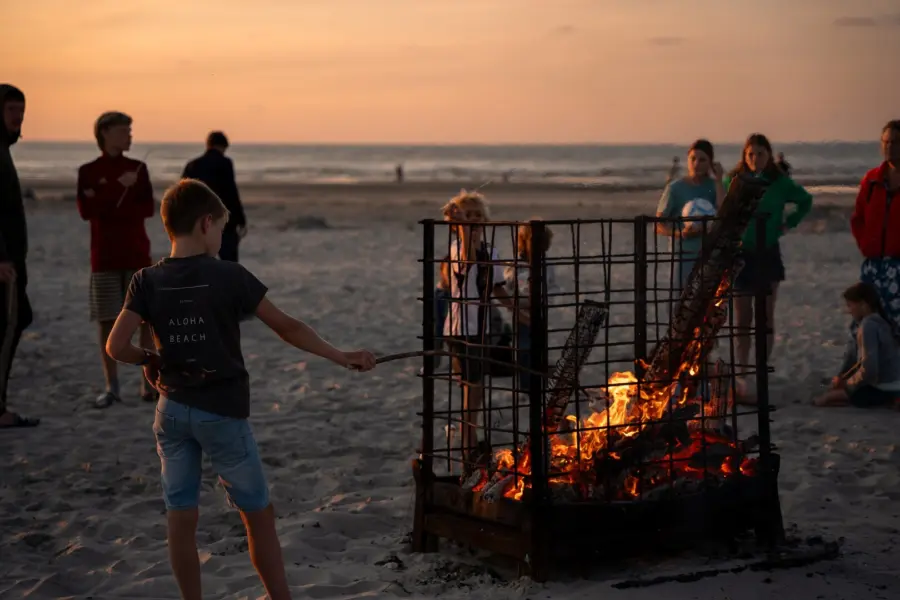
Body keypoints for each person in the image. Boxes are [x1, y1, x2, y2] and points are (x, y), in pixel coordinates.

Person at [105, 178, 376, 600]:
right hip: (221, 412)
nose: (221, 239)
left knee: (181, 516)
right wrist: (341, 355)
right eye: (221, 230)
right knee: (258, 514)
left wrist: (149, 359)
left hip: (171, 413)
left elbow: (116, 346)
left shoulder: (146, 280)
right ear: (205, 223)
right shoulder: (228, 275)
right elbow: (288, 327)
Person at [722, 134, 813, 397]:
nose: (754, 159)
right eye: (750, 154)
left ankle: (761, 367)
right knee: (742, 318)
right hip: (741, 253)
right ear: (744, 156)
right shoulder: (735, 180)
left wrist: (788, 223)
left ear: (769, 155)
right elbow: (725, 210)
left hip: (768, 252)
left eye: (760, 154)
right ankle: (742, 371)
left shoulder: (779, 183)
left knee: (765, 315)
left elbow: (805, 201)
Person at [76, 111, 156, 407]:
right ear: (105, 133)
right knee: (107, 321)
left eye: (130, 130)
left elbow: (147, 207)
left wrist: (108, 198)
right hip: (105, 257)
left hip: (137, 253)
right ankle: (112, 386)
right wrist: (115, 189)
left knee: (146, 320)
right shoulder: (88, 171)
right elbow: (87, 211)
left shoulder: (139, 168)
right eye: (124, 131)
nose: (130, 136)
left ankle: (147, 384)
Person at [441, 190, 513, 473]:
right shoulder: (457, 249)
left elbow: (496, 288)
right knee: (472, 390)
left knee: (476, 390)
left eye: (477, 217)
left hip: (480, 329)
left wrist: (516, 309)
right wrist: (462, 229)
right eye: (467, 216)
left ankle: (470, 442)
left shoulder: (490, 251)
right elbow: (468, 262)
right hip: (461, 330)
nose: (473, 222)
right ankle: (467, 447)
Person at [0, 83, 39, 429]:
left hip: (13, 258)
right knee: (8, 325)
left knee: (18, 318)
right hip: (5, 261)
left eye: (21, 111)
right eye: (12, 110)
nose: (19, 117)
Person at [813, 283, 900, 408]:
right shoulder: (882, 323)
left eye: (850, 305)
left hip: (883, 390)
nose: (849, 311)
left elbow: (870, 370)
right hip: (896, 387)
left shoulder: (868, 326)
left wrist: (849, 384)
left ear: (863, 304)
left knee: (827, 398)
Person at [850, 120, 900, 333]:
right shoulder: (871, 180)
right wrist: (866, 245)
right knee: (864, 327)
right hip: (872, 266)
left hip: (898, 266)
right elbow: (858, 218)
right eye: (886, 142)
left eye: (896, 142)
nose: (890, 147)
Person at [655, 139, 725, 289]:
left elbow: (723, 213)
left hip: (709, 253)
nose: (696, 164)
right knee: (680, 300)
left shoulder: (714, 187)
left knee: (707, 303)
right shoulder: (675, 188)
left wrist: (719, 180)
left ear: (710, 163)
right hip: (683, 254)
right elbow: (658, 225)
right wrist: (680, 233)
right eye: (693, 159)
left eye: (702, 160)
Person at [504, 221, 557, 392]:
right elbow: (508, 284)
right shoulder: (516, 264)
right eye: (533, 241)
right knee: (523, 347)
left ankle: (537, 380)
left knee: (539, 345)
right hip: (520, 311)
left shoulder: (546, 264)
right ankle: (526, 384)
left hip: (540, 309)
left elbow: (551, 284)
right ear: (523, 242)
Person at [182, 131, 247, 262]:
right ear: (223, 146)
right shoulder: (225, 163)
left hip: (198, 222)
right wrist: (241, 219)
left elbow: (183, 195)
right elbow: (231, 192)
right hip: (222, 221)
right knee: (229, 265)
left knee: (199, 264)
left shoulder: (192, 165)